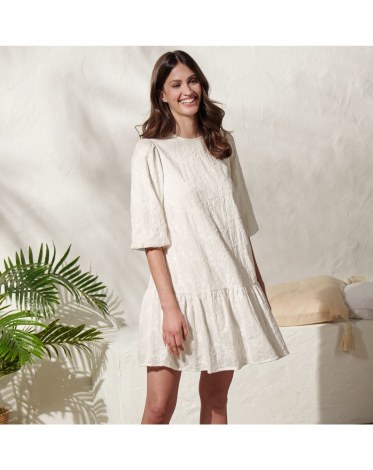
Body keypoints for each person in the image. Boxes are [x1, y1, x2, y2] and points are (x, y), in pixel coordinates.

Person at [130, 50, 290, 425]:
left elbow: (238, 225)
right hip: (179, 293)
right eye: (176, 84)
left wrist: (258, 287)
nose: (187, 91)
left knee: (217, 399)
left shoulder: (222, 144)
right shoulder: (151, 152)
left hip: (227, 288)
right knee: (159, 407)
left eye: (192, 81)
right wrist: (170, 309)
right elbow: (151, 238)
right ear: (161, 95)